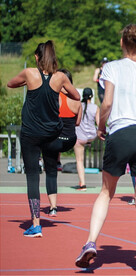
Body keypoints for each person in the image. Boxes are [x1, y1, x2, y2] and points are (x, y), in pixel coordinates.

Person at [75, 24, 136, 276]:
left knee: (106, 192)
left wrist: (102, 126)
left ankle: (91, 241)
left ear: (121, 43)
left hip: (120, 131)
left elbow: (107, 102)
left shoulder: (111, 67)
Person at [7, 40, 80, 237]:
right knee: (50, 169)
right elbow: (77, 97)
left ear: (37, 57)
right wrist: (59, 89)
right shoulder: (61, 77)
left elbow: (10, 83)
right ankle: (53, 203)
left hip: (31, 134)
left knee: (32, 176)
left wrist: (28, 83)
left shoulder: (30, 73)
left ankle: (36, 224)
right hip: (52, 134)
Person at [45, 69, 82, 216]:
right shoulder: (77, 100)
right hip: (70, 140)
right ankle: (58, 160)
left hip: (55, 140)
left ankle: (53, 207)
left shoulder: (52, 98)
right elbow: (78, 123)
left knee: (51, 173)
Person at [74, 88, 100, 191]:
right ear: (92, 96)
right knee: (86, 143)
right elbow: (98, 123)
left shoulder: (78, 106)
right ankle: (89, 143)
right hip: (91, 136)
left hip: (80, 137)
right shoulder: (95, 107)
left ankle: (83, 184)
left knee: (79, 160)